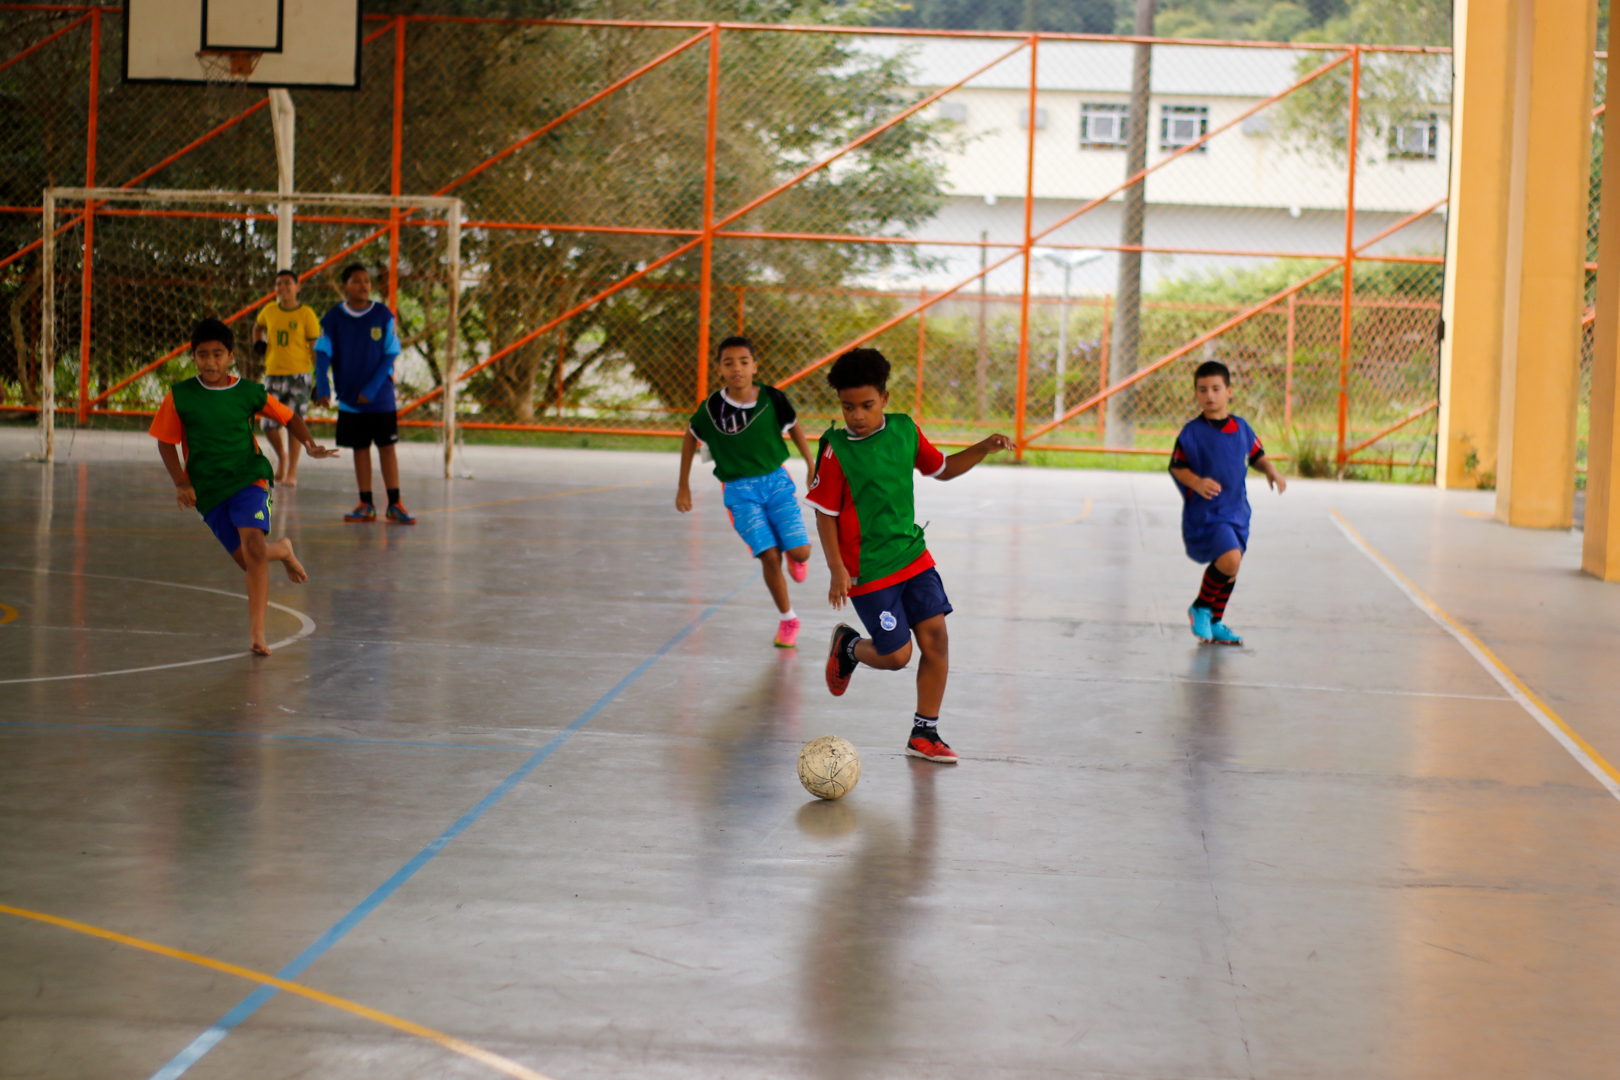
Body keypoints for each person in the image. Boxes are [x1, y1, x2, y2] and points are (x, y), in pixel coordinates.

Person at [807, 347, 1012, 764]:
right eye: (848, 408)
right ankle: (848, 647)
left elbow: (943, 468)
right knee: (897, 656)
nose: (857, 416)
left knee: (936, 639)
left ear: (884, 397)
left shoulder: (904, 430)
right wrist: (836, 569)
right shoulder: (834, 449)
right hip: (868, 571)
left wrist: (983, 447)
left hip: (913, 556)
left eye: (866, 405)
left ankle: (924, 732)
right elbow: (825, 514)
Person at [150, 318, 338, 655]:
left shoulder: (248, 391)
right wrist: (181, 481)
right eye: (203, 355)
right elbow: (166, 442)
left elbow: (288, 417)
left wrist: (310, 445)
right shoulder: (180, 396)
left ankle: (257, 633)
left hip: (250, 478)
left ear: (231, 356)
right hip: (209, 491)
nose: (211, 362)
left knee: (253, 551)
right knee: (249, 560)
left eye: (218, 354)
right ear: (193, 357)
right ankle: (282, 550)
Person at [677, 336, 816, 648]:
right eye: (729, 363)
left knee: (801, 551)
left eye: (743, 361)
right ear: (720, 370)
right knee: (769, 557)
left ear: (755, 366)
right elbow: (690, 436)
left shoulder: (772, 399)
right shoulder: (712, 408)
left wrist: (810, 464)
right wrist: (683, 484)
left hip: (776, 484)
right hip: (740, 491)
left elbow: (794, 427)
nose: (737, 368)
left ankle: (796, 554)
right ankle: (788, 619)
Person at [1168, 359, 1286, 646]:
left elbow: (1256, 455)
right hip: (1207, 512)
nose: (1209, 395)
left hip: (1236, 510)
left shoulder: (1242, 428)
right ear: (1195, 394)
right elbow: (1177, 466)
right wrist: (1196, 482)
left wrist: (1270, 470)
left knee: (1231, 568)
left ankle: (1216, 622)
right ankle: (1200, 608)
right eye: (1202, 389)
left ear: (1229, 392)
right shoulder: (1192, 433)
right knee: (1230, 558)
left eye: (1216, 389)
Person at [314, 264, 414, 524]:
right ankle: (366, 503)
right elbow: (322, 352)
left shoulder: (382, 314)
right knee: (360, 448)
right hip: (350, 399)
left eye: (367, 281)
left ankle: (394, 503)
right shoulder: (333, 317)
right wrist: (323, 387)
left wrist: (371, 388)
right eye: (357, 281)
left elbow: (391, 352)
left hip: (380, 398)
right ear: (345, 286)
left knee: (387, 448)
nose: (364, 286)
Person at [253, 268, 322, 487]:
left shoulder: (306, 314)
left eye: (287, 283)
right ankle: (281, 456)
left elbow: (315, 348)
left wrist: (320, 379)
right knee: (267, 424)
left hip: (299, 375)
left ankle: (291, 471)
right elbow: (257, 327)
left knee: (295, 423)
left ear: (297, 287)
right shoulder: (269, 310)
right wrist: (258, 342)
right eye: (278, 284)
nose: (282, 287)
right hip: (273, 374)